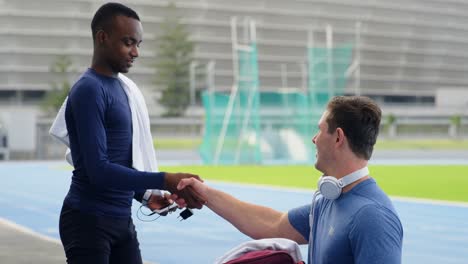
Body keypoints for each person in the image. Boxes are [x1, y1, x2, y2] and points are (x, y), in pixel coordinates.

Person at [56, 3, 204, 264]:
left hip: (120, 220)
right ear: (103, 38)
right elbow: (98, 170)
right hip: (88, 221)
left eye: (138, 44)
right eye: (128, 42)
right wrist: (166, 179)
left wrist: (145, 195)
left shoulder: (123, 89)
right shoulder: (89, 90)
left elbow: (120, 161)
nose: (135, 52)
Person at [178, 96, 403, 264]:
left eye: (320, 130)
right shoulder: (329, 200)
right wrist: (203, 193)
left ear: (338, 137)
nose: (314, 139)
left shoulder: (372, 217)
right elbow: (273, 225)